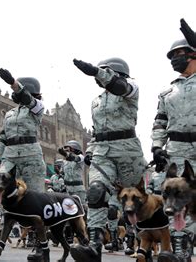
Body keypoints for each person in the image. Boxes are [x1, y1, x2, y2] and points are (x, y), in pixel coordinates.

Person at [70, 57, 147, 262]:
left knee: (136, 200)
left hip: (127, 149)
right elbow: (96, 131)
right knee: (96, 191)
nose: (99, 75)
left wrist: (97, 71)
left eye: (104, 71)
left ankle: (142, 242)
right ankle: (94, 246)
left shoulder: (130, 87)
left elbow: (119, 87)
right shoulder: (96, 101)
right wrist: (90, 151)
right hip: (102, 150)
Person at [151, 35, 196, 262]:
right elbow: (160, 122)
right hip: (177, 149)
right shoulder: (167, 93)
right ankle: (180, 253)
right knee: (176, 200)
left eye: (180, 54)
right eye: (173, 56)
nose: (175, 59)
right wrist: (157, 147)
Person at [0, 68, 46, 193]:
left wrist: (13, 83)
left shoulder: (37, 107)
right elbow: (3, 136)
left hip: (31, 157)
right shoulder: (10, 113)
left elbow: (28, 99)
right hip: (10, 156)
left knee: (33, 194)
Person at [58, 140, 87, 204]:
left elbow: (73, 158)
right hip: (67, 189)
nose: (66, 150)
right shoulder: (64, 162)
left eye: (69, 148)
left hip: (78, 189)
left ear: (74, 149)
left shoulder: (81, 157)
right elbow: (61, 175)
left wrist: (66, 154)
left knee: (81, 208)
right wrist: (62, 185)